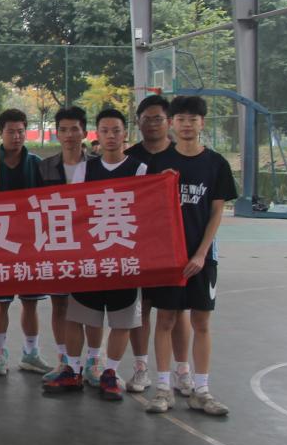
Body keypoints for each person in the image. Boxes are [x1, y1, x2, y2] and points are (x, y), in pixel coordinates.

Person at [43, 108, 146, 401]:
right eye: (105, 130)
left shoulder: (140, 170)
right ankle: (73, 370)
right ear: (97, 135)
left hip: (124, 257)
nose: (111, 136)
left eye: (116, 130)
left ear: (125, 133)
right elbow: (76, 211)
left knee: (121, 320)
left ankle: (110, 372)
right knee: (79, 315)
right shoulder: (85, 170)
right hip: (91, 256)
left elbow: (146, 211)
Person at [144, 95, 237, 416]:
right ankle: (163, 388)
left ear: (202, 123)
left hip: (202, 258)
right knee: (166, 319)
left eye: (192, 119)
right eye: (181, 119)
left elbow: (216, 212)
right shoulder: (159, 163)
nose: (186, 125)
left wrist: (200, 254)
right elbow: (149, 209)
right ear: (172, 123)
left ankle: (202, 391)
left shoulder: (216, 164)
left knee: (201, 322)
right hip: (168, 259)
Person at [124, 94, 192, 394]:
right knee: (141, 308)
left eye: (158, 118)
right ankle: (141, 368)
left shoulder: (184, 156)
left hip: (176, 248)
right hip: (139, 246)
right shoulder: (129, 158)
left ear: (169, 121)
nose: (152, 124)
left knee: (176, 311)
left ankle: (182, 370)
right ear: (138, 122)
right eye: (146, 119)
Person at [0, 108, 52, 377]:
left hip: (30, 243)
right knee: (1, 302)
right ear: (0, 133)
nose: (16, 136)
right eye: (11, 131)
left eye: (21, 131)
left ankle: (31, 353)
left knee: (30, 301)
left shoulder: (37, 163)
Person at [36, 105, 95, 383]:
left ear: (84, 132)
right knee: (60, 303)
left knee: (91, 306)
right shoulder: (44, 167)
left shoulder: (97, 165)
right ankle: (65, 361)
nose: (69, 135)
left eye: (74, 129)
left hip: (90, 246)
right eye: (63, 130)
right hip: (57, 245)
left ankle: (93, 361)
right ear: (57, 134)